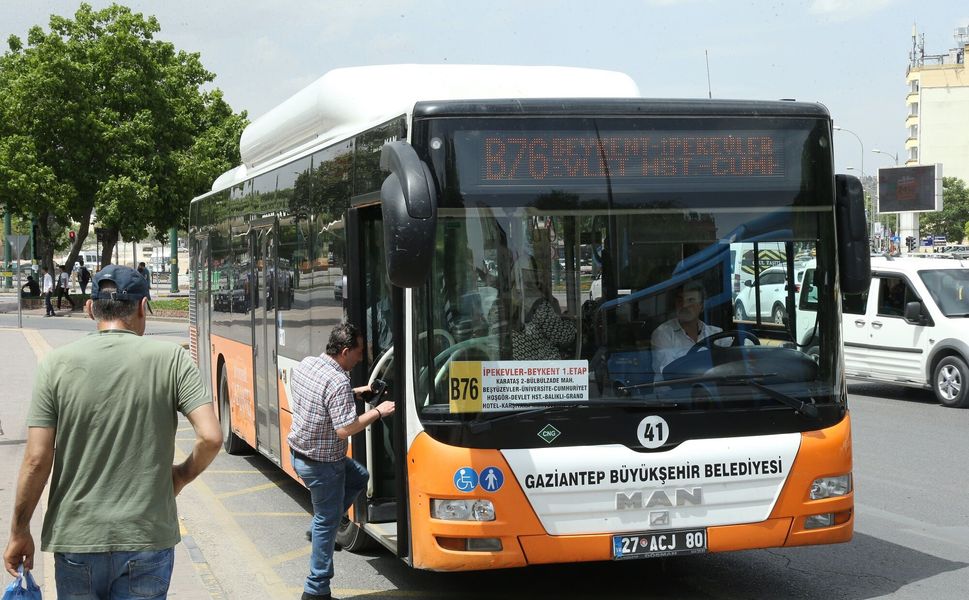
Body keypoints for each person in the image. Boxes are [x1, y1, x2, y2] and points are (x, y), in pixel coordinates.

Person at [2, 265, 223, 598]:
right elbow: (211, 437)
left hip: (78, 537)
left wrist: (20, 529)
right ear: (141, 306)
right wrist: (179, 476)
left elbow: (36, 460)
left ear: (90, 309)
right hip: (147, 537)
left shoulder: (55, 364)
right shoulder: (171, 360)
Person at [288, 323, 395, 600]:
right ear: (345, 351)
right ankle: (316, 591)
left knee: (359, 476)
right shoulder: (337, 382)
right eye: (358, 353)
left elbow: (322, 397)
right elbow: (345, 428)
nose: (361, 358)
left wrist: (358, 393)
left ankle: (326, 524)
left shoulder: (309, 364)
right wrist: (379, 412)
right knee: (326, 522)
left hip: (300, 455)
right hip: (322, 465)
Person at [651, 281, 724, 376]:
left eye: (691, 300)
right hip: (673, 390)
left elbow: (734, 363)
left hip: (711, 389)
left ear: (701, 306)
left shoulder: (716, 333)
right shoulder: (663, 333)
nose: (684, 306)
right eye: (680, 300)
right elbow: (669, 372)